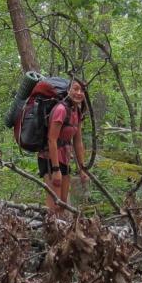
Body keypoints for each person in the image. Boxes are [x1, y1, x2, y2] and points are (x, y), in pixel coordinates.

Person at [39, 79, 88, 216]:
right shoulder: (61, 110)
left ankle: (60, 234)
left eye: (82, 90)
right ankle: (51, 232)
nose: (79, 93)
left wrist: (82, 169)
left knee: (62, 203)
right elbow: (52, 139)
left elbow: (78, 142)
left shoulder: (76, 112)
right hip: (50, 159)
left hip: (65, 159)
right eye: (76, 89)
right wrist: (55, 170)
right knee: (54, 205)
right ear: (68, 90)